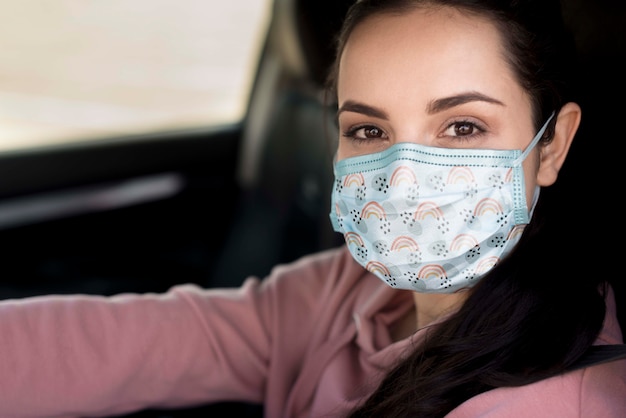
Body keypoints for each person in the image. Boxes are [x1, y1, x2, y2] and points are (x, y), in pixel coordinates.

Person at [0, 0, 625, 417]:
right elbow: (126, 343)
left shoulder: (554, 398)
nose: (403, 180)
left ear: (552, 146)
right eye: (369, 131)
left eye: (462, 127)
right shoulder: (347, 295)